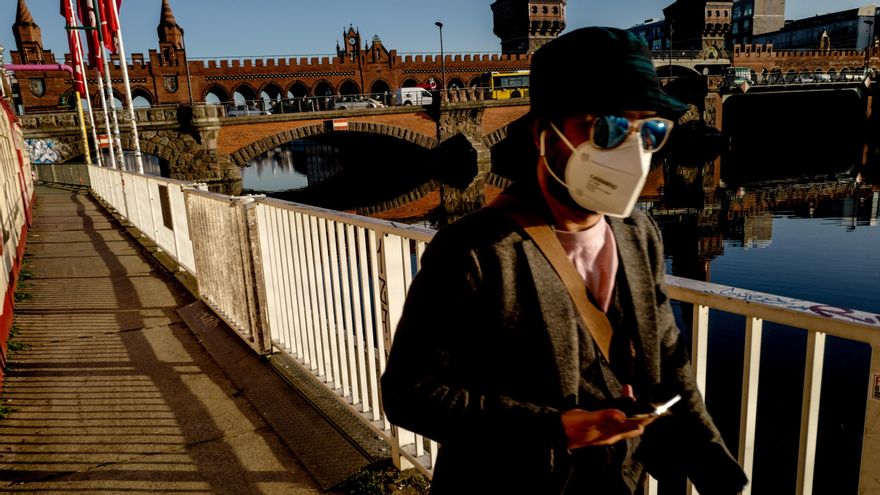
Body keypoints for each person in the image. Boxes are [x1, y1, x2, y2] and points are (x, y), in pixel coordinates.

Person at [380, 26, 749, 495]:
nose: (630, 151)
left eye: (649, 129)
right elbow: (410, 395)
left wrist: (720, 473)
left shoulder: (638, 233)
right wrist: (554, 428)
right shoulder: (472, 249)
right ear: (542, 133)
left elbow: (668, 365)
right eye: (606, 127)